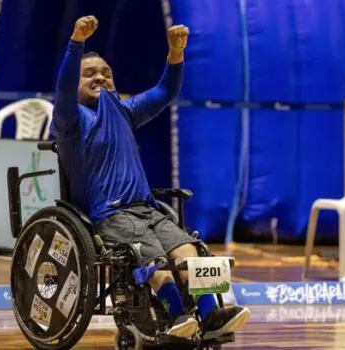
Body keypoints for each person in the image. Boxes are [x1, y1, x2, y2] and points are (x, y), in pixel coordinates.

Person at [51, 15, 250, 340]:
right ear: (75, 83)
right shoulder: (70, 119)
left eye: (106, 73)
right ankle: (176, 316)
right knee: (154, 260)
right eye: (89, 74)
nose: (100, 77)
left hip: (148, 209)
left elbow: (163, 93)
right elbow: (63, 86)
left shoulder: (125, 110)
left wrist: (175, 53)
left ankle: (213, 314)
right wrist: (76, 43)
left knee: (189, 252)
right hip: (111, 214)